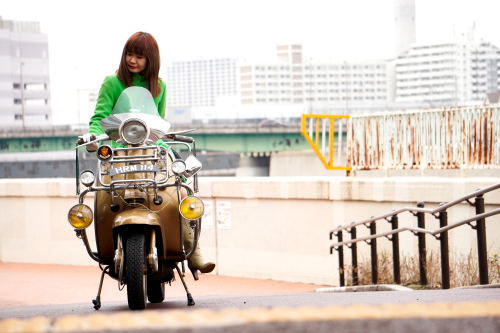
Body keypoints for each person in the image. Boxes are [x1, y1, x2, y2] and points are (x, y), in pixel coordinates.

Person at [80, 31, 215, 276]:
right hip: (120, 151)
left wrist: (160, 137)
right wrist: (93, 135)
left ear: (150, 59)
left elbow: (158, 122)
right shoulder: (112, 82)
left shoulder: (159, 86)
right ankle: (110, 247)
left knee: (181, 189)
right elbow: (100, 117)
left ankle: (193, 251)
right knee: (104, 195)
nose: (133, 60)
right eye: (129, 54)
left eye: (140, 56)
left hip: (152, 150)